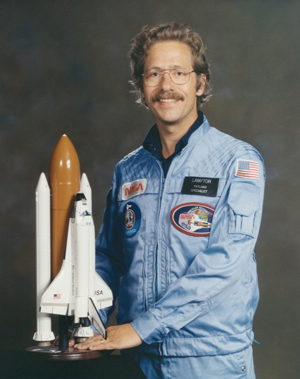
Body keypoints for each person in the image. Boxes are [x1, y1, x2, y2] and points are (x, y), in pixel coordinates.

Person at [75, 22, 265, 379]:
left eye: (179, 73)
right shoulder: (128, 172)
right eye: (154, 74)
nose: (167, 86)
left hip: (210, 361)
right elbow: (108, 259)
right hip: (137, 362)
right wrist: (89, 322)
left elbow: (226, 261)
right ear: (141, 87)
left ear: (200, 83)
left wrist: (142, 328)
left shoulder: (237, 162)